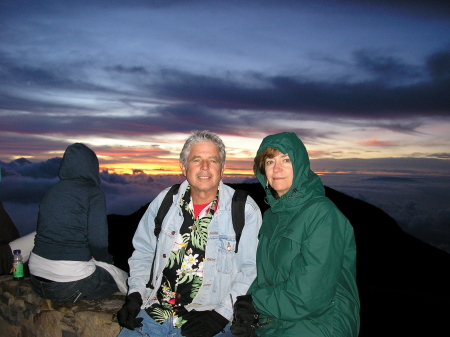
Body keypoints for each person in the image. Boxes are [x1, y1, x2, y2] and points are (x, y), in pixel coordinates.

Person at [116, 130, 262, 337]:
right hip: (156, 311)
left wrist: (220, 316)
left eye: (213, 160)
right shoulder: (165, 201)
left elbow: (251, 270)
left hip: (208, 318)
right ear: (184, 167)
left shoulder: (244, 209)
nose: (205, 167)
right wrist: (135, 295)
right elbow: (144, 252)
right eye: (196, 160)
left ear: (222, 168)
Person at [232, 132, 360, 337]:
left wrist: (255, 302)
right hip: (278, 320)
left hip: (320, 324)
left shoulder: (322, 214)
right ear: (262, 171)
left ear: (300, 166)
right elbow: (266, 277)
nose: (277, 168)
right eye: (270, 161)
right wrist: (245, 306)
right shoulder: (272, 217)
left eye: (286, 160)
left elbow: (309, 295)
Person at [29, 143, 127, 302]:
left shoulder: (51, 191)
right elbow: (98, 241)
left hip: (36, 278)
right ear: (92, 166)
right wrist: (107, 261)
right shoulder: (93, 192)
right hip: (69, 282)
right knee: (123, 278)